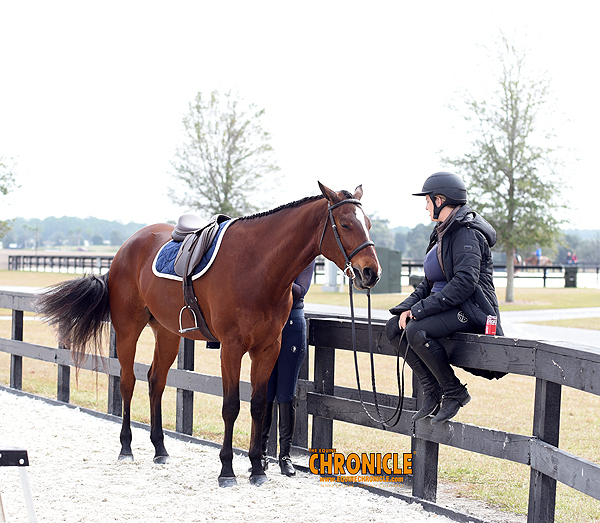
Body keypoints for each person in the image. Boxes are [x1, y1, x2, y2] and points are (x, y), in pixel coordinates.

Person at [385, 172, 503, 424]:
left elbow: (464, 284)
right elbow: (429, 282)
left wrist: (419, 311)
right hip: (446, 308)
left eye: (427, 201)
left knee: (416, 330)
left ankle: (454, 391)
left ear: (440, 200)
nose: (426, 207)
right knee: (394, 328)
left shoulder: (466, 233)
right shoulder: (442, 232)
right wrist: (406, 308)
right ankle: (432, 389)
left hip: (471, 310)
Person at [261, 260, 315, 476]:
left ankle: (285, 456)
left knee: (286, 393)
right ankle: (261, 452)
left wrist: (274, 272)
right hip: (267, 324)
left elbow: (300, 291)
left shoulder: (305, 259)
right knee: (265, 391)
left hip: (292, 324)